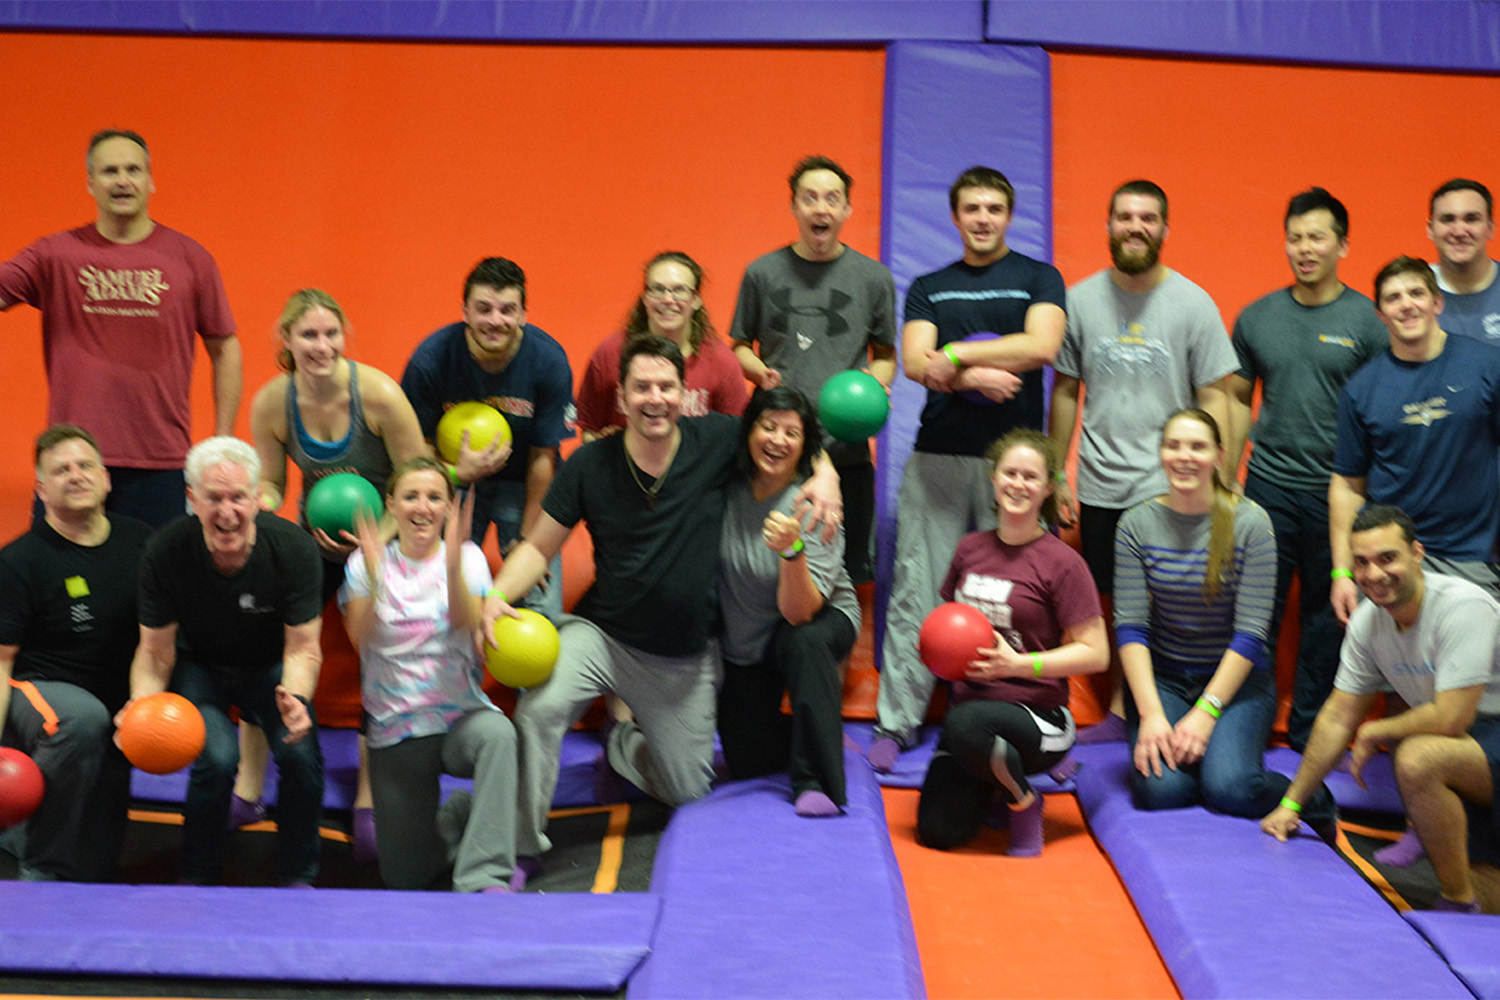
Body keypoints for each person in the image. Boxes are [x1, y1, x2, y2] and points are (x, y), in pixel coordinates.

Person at [479, 335, 839, 889]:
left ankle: (623, 746)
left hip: (682, 658)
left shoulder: (717, 439)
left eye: (665, 387)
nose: (654, 398)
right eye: (641, 387)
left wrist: (826, 472)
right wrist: (498, 595)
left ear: (684, 395)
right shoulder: (590, 464)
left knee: (688, 790)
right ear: (621, 397)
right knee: (539, 712)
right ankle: (521, 849)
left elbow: (785, 435)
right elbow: (536, 547)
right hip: (600, 639)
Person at [870, 165, 1066, 773]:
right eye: (972, 209)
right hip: (939, 461)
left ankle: (1037, 726)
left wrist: (956, 355)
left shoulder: (1038, 276)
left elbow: (1041, 347)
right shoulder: (931, 285)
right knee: (916, 594)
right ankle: (896, 721)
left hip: (1015, 465)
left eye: (994, 209)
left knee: (1024, 603)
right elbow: (911, 363)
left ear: (1009, 217)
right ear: (955, 218)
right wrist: (973, 374)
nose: (983, 219)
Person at [235, 288, 427, 853]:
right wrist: (261, 503)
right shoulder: (273, 402)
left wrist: (376, 541)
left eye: (330, 334)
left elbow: (416, 478)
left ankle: (371, 794)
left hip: (383, 536)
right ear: (287, 343)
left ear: (343, 337)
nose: (321, 346)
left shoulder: (379, 395)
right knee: (264, 639)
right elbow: (270, 481)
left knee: (383, 646)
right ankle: (249, 785)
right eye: (308, 335)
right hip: (313, 541)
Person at [1049, 179, 1237, 742]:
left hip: (1172, 485)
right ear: (1108, 225)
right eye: (1125, 217)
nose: (1136, 227)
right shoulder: (1079, 300)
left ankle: (1156, 705)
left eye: (1148, 218)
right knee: (1113, 600)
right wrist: (1058, 472)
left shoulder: (1193, 302)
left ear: (1164, 229)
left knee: (1165, 601)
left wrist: (1220, 478)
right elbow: (1064, 392)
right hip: (1102, 482)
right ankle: (1119, 707)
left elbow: (1215, 397)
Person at [1262, 505, 1500, 914]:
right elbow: (1339, 715)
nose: (1374, 574)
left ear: (1417, 554)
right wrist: (1291, 804)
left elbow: (1452, 717)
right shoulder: (1368, 623)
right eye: (1362, 562)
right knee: (1490, 900)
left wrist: (1377, 730)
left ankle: (1457, 902)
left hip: (1481, 731)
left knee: (1417, 755)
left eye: (1387, 558)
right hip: (1472, 747)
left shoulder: (1464, 606)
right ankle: (1464, 897)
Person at [0, 129, 241, 528]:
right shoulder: (55, 254)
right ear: (91, 183)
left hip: (161, 460)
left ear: (151, 179)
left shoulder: (190, 258)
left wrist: (222, 439)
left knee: (153, 587)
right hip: (73, 461)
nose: (123, 180)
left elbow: (225, 345)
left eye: (133, 170)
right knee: (57, 585)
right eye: (109, 171)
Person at [1117, 409, 1335, 830]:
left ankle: (1311, 797)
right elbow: (1130, 628)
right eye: (1174, 445)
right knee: (1163, 792)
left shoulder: (1251, 523)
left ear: (1218, 455)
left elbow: (1252, 635)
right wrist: (1150, 714)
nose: (1184, 457)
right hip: (1164, 679)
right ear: (1161, 453)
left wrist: (1205, 714)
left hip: (1237, 684)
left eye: (1197, 447)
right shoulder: (1136, 524)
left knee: (1230, 788)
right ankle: (1197, 756)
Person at [1227, 188, 1386, 752]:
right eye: (1295, 237)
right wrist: (1227, 480)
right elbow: (1237, 403)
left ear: (1342, 244)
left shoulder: (1368, 321)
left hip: (1338, 491)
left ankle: (1307, 731)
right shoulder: (1257, 317)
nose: (1304, 248)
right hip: (1267, 485)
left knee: (1327, 618)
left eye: (1317, 236)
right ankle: (1247, 725)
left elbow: (1380, 410)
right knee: (1256, 611)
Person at [126, 436, 324, 886]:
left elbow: (303, 648)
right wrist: (142, 709)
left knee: (300, 753)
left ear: (258, 499)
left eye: (238, 497)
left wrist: (294, 697)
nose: (227, 511)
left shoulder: (293, 549)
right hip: (200, 670)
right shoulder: (165, 551)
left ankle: (299, 878)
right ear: (192, 499)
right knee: (216, 758)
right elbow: (155, 652)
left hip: (272, 668)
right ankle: (197, 878)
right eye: (214, 498)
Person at [915, 430, 1108, 856]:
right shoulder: (970, 548)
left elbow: (1096, 653)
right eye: (1010, 473)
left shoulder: (1063, 563)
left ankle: (1024, 801)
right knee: (939, 832)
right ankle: (993, 786)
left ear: (1048, 488)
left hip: (1040, 720)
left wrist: (1017, 665)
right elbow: (950, 622)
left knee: (965, 724)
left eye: (1031, 477)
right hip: (972, 720)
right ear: (994, 478)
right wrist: (934, 647)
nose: (1018, 484)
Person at [339, 457, 518, 893]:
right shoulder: (365, 565)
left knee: (499, 735)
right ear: (393, 506)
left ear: (448, 508)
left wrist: (453, 567)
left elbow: (465, 623)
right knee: (406, 878)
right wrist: (378, 578)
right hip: (397, 729)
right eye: (412, 496)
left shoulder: (469, 557)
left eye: (435, 497)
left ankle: (486, 874)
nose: (423, 507)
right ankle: (455, 818)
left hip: (460, 719)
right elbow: (360, 639)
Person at [729, 156, 898, 583]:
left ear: (846, 211)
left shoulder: (873, 277)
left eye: (832, 199)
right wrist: (759, 373)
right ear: (794, 208)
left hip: (847, 452)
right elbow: (737, 347)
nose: (821, 208)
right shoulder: (761, 272)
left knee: (845, 575)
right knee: (769, 570)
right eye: (810, 199)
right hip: (777, 450)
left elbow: (886, 355)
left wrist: (874, 384)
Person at [0, 425, 150, 881]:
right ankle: (42, 868)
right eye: (61, 470)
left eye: (85, 466)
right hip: (38, 690)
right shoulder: (20, 561)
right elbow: (2, 660)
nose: (76, 476)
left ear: (106, 478)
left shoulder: (141, 542)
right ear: (42, 489)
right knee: (82, 719)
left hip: (113, 701)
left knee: (98, 863)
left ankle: (21, 833)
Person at [401, 257, 574, 620]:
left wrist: (529, 542)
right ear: (465, 311)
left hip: (524, 484)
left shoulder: (548, 361)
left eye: (507, 310)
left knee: (541, 607)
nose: (495, 321)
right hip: (454, 484)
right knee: (438, 599)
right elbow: (418, 456)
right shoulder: (431, 361)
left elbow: (544, 458)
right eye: (484, 309)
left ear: (524, 314)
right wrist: (455, 474)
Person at [1330, 257, 1500, 621]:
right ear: (1380, 314)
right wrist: (1343, 572)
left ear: (1437, 302)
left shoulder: (1488, 366)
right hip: (1389, 563)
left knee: (1475, 676)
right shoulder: (1361, 389)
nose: (1406, 304)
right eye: (1393, 298)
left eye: (1416, 293)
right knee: (1391, 677)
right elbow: (1347, 485)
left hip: (1472, 558)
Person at [716, 387, 860, 817]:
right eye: (768, 427)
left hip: (814, 614)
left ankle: (817, 780)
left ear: (806, 445)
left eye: (792, 433)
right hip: (747, 633)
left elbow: (801, 613)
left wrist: (792, 551)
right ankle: (814, 727)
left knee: (806, 641)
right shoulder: (727, 482)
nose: (778, 440)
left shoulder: (815, 504)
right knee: (746, 760)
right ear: (749, 431)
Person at [577, 251, 746, 440]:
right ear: (645, 297)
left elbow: (735, 439)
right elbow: (590, 430)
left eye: (679, 290)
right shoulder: (609, 354)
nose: (667, 299)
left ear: (696, 300)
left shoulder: (723, 364)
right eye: (657, 289)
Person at [1428, 179, 1500, 343]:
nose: (1459, 231)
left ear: (1490, 228)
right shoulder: (1412, 297)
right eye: (1448, 220)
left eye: (1471, 219)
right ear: (1430, 229)